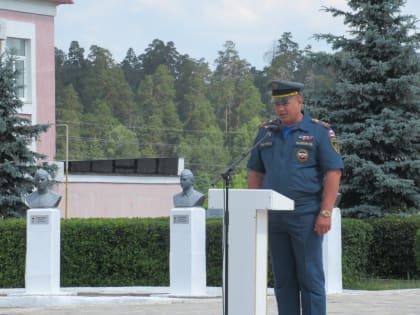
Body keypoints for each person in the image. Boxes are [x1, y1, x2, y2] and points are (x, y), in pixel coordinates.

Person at [247, 80, 344, 315]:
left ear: (299, 101)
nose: (280, 109)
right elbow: (255, 172)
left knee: (310, 278)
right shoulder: (266, 131)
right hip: (274, 216)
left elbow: (333, 172)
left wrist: (326, 212)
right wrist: (255, 207)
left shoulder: (319, 131)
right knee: (283, 281)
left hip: (306, 214)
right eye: (276, 104)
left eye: (285, 103)